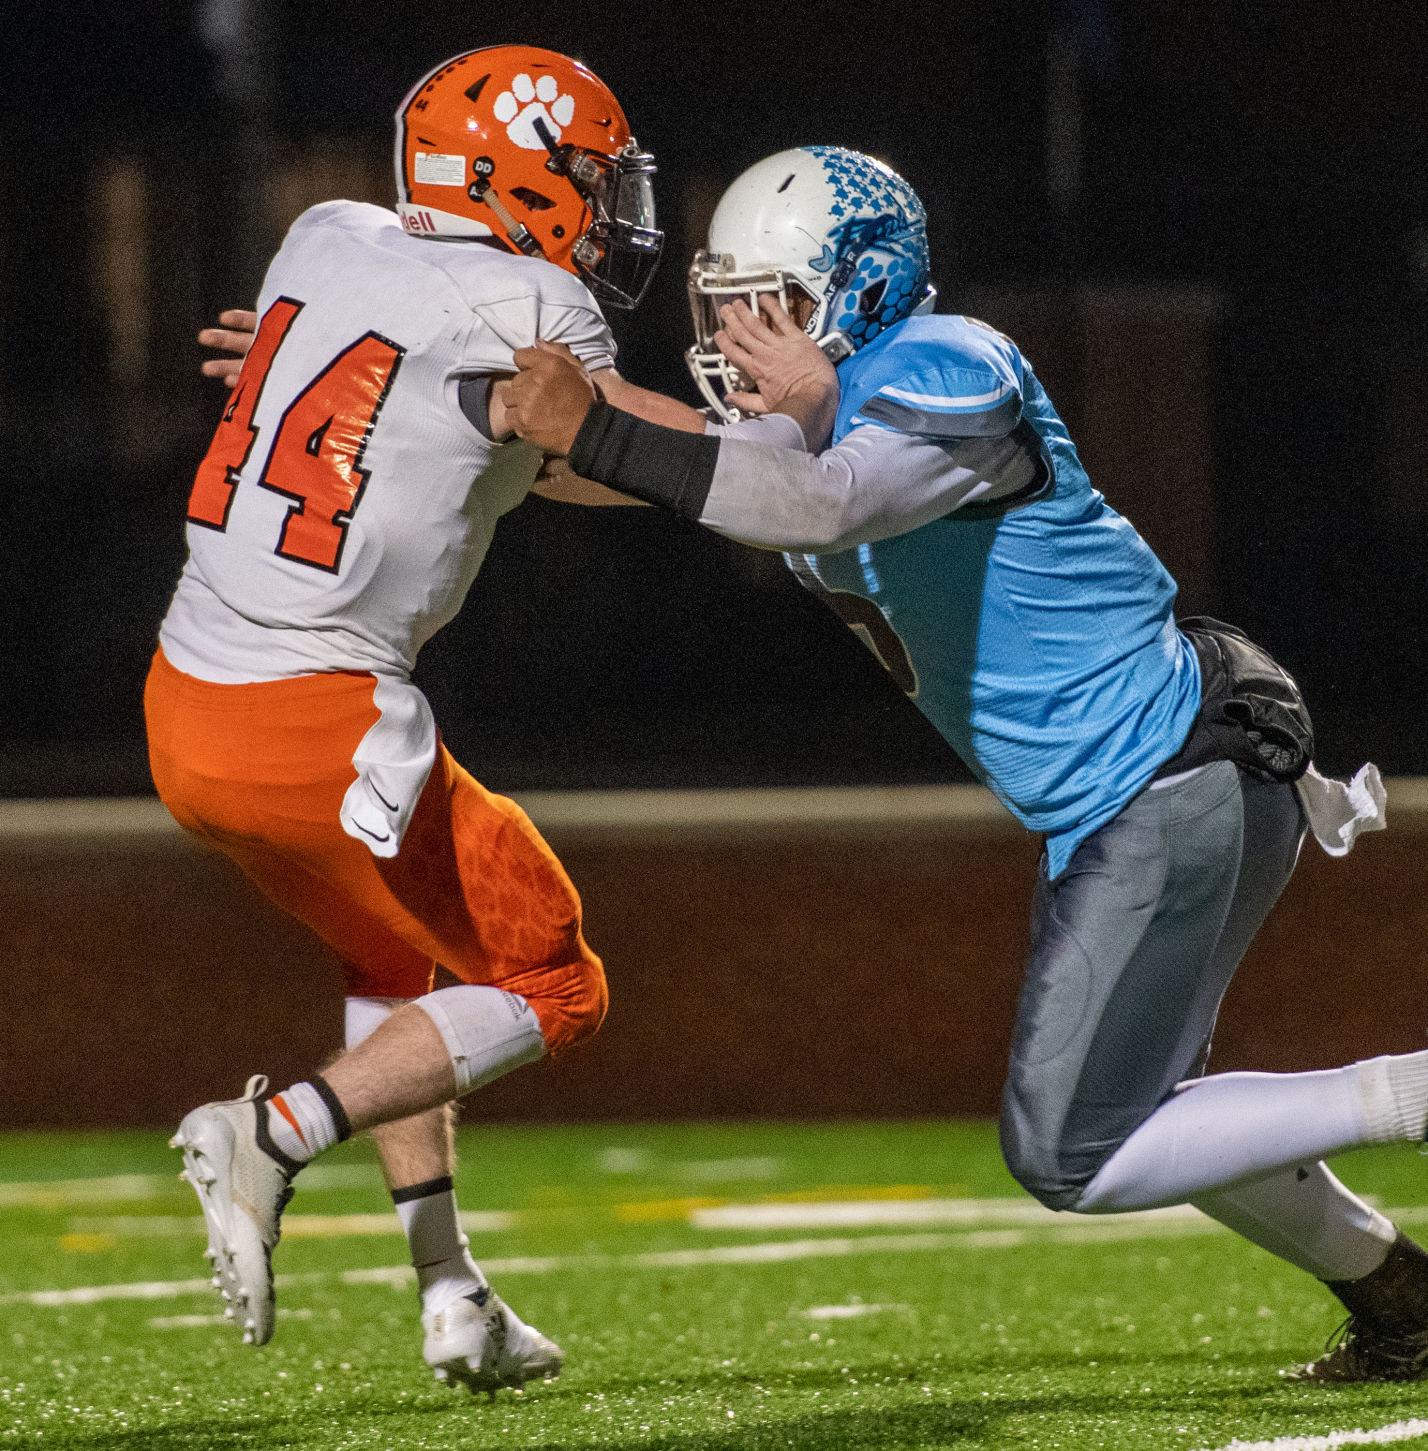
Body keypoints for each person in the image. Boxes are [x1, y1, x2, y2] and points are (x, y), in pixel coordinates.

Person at [499, 145, 1428, 1384]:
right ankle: (1400, 1293)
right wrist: (389, 390)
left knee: (1074, 1148)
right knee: (1160, 1114)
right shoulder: (810, 423)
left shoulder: (947, 362)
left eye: (769, 299)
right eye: (723, 299)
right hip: (1139, 791)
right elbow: (594, 454)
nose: (735, 329)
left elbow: (822, 503)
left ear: (862, 290)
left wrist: (600, 435)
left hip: (1166, 772)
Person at [156, 47, 830, 1396]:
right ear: (515, 170)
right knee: (554, 979)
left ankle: (452, 1292)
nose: (604, 203)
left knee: (410, 964)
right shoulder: (531, 304)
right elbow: (625, 444)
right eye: (587, 174)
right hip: (317, 722)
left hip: (186, 707)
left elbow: (501, 442)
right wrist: (801, 435)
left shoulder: (329, 236)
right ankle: (273, 1130)